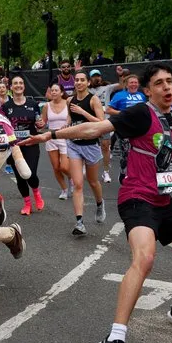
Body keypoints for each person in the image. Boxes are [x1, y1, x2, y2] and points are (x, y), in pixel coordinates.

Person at [20, 62, 172, 343]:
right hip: (137, 198)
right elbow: (95, 129)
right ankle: (114, 340)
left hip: (163, 199)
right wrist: (49, 135)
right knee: (145, 257)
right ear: (147, 90)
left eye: (170, 82)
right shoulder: (142, 113)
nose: (168, 87)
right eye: (160, 83)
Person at [64, 71, 106, 235]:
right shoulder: (69, 100)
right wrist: (64, 127)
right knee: (78, 183)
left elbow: (102, 123)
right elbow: (70, 120)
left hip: (91, 145)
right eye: (77, 80)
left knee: (93, 181)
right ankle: (79, 222)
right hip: (74, 144)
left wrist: (84, 113)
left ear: (88, 83)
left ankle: (99, 203)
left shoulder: (93, 99)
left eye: (82, 80)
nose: (79, 82)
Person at [2, 76, 45, 215]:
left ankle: (37, 193)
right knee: (20, 176)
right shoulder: (6, 107)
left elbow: (39, 122)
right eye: (15, 83)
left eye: (21, 83)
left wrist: (41, 124)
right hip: (15, 147)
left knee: (30, 173)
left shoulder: (33, 104)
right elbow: (2, 125)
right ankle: (27, 204)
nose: (18, 85)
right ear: (11, 87)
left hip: (31, 143)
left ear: (24, 87)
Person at [89, 68, 123, 184]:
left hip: (104, 122)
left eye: (98, 76)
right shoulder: (87, 90)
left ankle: (106, 171)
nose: (96, 78)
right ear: (90, 79)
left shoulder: (107, 88)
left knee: (105, 146)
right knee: (87, 145)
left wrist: (120, 75)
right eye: (94, 76)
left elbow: (122, 85)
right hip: (90, 121)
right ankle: (85, 167)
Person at [41, 83, 71, 199]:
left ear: (62, 92)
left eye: (56, 90)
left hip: (64, 137)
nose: (53, 92)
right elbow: (43, 123)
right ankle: (64, 189)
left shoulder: (68, 103)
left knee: (64, 167)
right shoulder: (46, 106)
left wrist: (68, 124)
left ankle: (72, 178)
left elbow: (71, 118)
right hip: (51, 137)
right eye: (52, 90)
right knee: (56, 167)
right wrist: (40, 124)